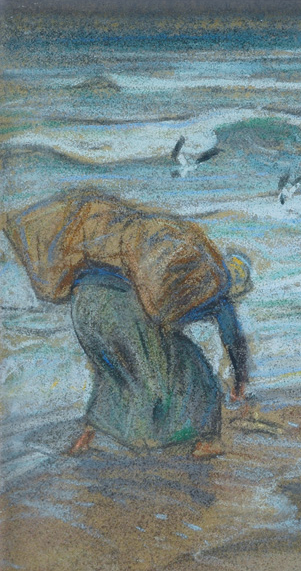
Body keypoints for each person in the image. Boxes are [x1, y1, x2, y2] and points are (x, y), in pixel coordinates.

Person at [3, 188, 251, 457]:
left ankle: (89, 435)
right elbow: (233, 338)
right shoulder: (216, 289)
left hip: (84, 302)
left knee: (114, 373)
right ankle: (206, 440)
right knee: (194, 366)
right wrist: (240, 381)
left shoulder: (176, 266)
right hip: (120, 303)